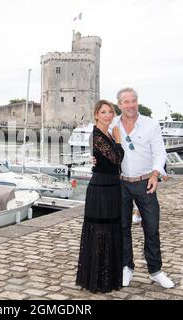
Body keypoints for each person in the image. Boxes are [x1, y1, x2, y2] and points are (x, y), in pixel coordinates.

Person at [111, 87, 174, 289]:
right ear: (119, 105)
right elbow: (101, 146)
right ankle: (126, 268)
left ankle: (156, 271)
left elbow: (159, 153)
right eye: (126, 102)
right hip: (120, 183)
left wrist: (156, 174)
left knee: (152, 228)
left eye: (133, 100)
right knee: (122, 228)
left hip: (145, 181)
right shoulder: (113, 125)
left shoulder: (151, 124)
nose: (130, 105)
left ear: (137, 102)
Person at [76, 100, 125, 293]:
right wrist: (119, 139)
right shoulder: (98, 135)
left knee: (110, 231)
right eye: (103, 112)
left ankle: (107, 276)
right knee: (100, 232)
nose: (108, 115)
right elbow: (117, 158)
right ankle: (96, 279)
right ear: (96, 115)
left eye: (110, 112)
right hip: (101, 188)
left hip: (112, 186)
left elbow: (111, 162)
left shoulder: (107, 134)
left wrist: (115, 139)